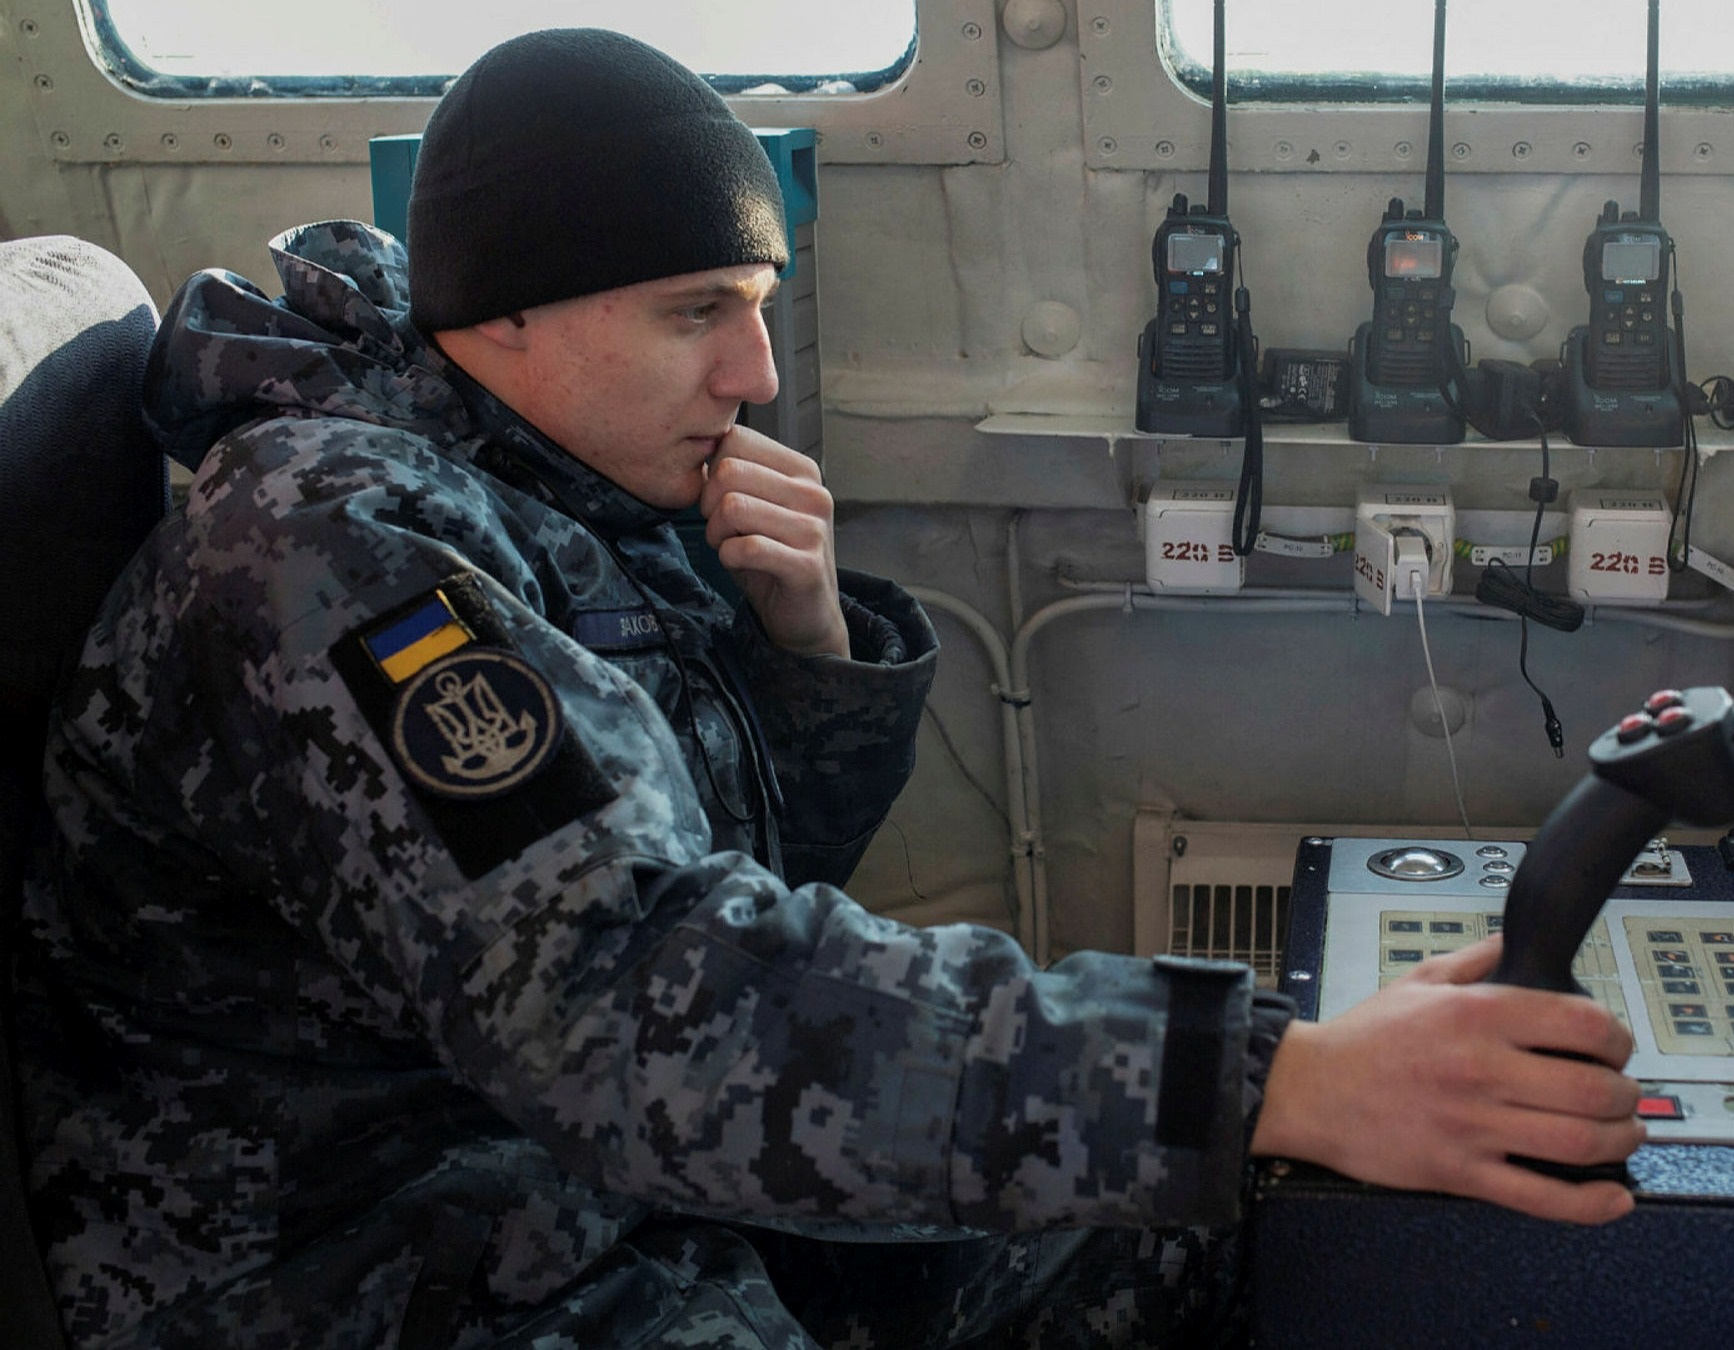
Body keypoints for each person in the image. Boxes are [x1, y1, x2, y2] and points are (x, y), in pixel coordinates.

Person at [10, 28, 1643, 1349]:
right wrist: (1260, 1074)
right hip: (377, 1260)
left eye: (758, 308)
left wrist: (802, 649)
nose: (759, 373)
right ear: (503, 312)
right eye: (697, 313)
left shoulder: (559, 486)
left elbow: (724, 892)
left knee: (1204, 1225)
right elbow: (638, 995)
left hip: (595, 1177)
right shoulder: (329, 551)